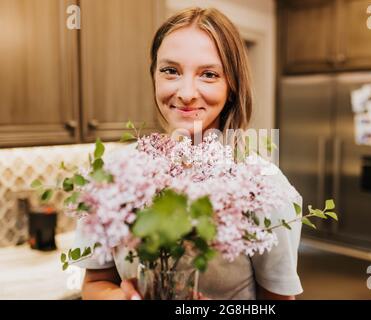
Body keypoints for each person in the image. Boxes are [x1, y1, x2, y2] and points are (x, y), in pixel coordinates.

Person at [74, 7, 303, 300]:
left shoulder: (263, 187)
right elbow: (95, 284)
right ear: (154, 75)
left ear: (231, 85)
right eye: (171, 70)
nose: (186, 92)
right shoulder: (114, 173)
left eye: (208, 74)